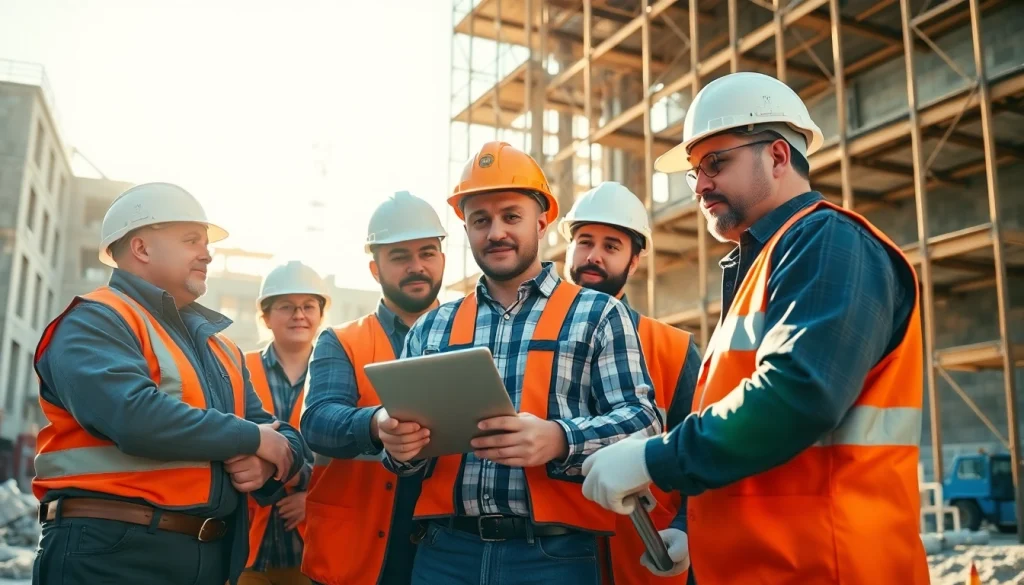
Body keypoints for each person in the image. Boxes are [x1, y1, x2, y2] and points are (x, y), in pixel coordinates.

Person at [580, 71, 930, 585]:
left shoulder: (829, 241)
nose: (700, 185)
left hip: (829, 568)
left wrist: (655, 458)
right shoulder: (768, 263)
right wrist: (694, 528)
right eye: (694, 172)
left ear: (779, 156)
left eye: (716, 163)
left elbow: (797, 394)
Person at [377, 142, 664, 585]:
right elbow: (405, 461)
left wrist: (559, 438)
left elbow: (645, 423)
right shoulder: (432, 328)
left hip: (555, 556)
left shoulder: (599, 314)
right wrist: (399, 447)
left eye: (511, 216)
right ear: (466, 230)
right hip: (444, 553)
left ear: (543, 221)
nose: (496, 233)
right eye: (480, 220)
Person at [32, 182, 311, 585]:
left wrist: (268, 461)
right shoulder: (95, 320)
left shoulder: (221, 348)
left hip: (206, 555)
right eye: (191, 240)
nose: (207, 252)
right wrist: (253, 439)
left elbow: (279, 432)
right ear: (142, 249)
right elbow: (133, 415)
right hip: (110, 552)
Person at [300, 191, 447, 585]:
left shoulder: (472, 334)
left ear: (443, 259)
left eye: (427, 253)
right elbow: (317, 421)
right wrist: (377, 424)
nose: (417, 267)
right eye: (400, 256)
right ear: (374, 268)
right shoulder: (341, 340)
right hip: (354, 554)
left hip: (445, 555)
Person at [559, 181, 701, 584]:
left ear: (634, 261)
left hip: (639, 554)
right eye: (584, 242)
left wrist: (687, 527)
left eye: (611, 246)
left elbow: (701, 448)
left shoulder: (673, 348)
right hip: (549, 559)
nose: (594, 256)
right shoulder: (532, 339)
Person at [240, 260, 330, 585]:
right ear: (265, 316)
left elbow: (352, 457)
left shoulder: (335, 374)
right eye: (286, 306)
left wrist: (313, 498)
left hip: (312, 548)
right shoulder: (238, 368)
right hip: (246, 546)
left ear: (321, 314)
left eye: (308, 306)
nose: (299, 315)